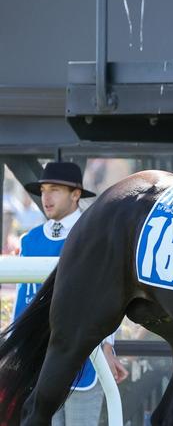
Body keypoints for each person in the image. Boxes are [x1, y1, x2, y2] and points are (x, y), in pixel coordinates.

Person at [13, 161, 128, 426]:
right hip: (40, 364)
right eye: (43, 190)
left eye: (55, 189)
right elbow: (24, 300)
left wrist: (108, 345)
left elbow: (110, 294)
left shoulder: (95, 235)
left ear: (76, 194)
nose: (46, 197)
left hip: (84, 359)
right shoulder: (30, 240)